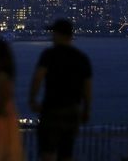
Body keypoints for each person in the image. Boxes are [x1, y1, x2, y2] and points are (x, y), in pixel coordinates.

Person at [29, 19, 93, 161]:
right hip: (72, 111)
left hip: (51, 109)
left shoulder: (49, 54)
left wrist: (32, 99)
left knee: (47, 152)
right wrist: (86, 109)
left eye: (54, 33)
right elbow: (87, 88)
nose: (52, 36)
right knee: (66, 153)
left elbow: (37, 78)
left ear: (59, 34)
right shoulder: (82, 58)